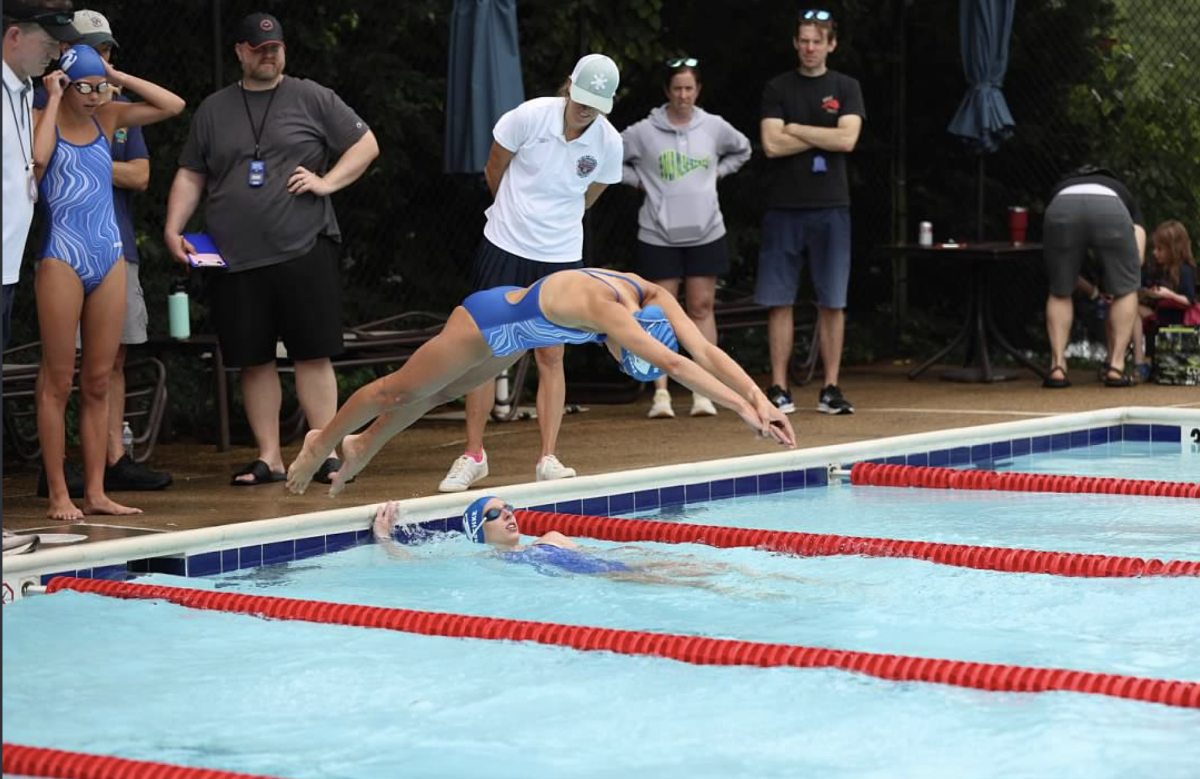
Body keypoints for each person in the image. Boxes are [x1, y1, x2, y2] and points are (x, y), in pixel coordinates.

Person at [286, 268, 797, 498]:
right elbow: (678, 366)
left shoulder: (654, 297)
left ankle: (362, 445)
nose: (617, 357)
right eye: (626, 358)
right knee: (398, 390)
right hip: (489, 321)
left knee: (439, 393)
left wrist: (760, 399)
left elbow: (703, 350)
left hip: (520, 334)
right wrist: (742, 411)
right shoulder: (608, 311)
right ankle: (322, 442)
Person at [163, 12, 380, 487]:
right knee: (253, 358)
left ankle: (323, 451)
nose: (269, 55)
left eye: (275, 48)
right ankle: (269, 457)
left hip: (303, 246)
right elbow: (192, 173)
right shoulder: (213, 109)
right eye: (259, 49)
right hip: (234, 256)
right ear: (240, 51)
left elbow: (366, 145)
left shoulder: (312, 96)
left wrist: (327, 182)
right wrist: (173, 227)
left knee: (312, 353)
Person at [437, 53, 624, 493]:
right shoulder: (528, 116)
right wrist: (515, 216)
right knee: (483, 351)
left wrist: (553, 224)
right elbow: (494, 167)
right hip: (505, 244)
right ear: (569, 84)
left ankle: (548, 458)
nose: (586, 109)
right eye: (582, 97)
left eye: (596, 103)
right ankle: (473, 455)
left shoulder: (609, 142)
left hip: (560, 255)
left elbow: (591, 195)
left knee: (551, 354)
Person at [32, 44, 184, 520]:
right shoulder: (42, 116)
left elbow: (173, 105)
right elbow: (38, 161)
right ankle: (59, 493)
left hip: (109, 255)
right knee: (58, 381)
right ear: (65, 84)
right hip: (61, 255)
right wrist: (53, 98)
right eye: (86, 87)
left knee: (98, 380)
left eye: (101, 88)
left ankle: (96, 492)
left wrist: (117, 76)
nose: (96, 96)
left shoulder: (110, 116)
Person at [620, 57, 751, 420]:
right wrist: (639, 182)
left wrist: (717, 174)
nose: (683, 95)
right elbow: (609, 157)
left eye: (689, 88)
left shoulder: (714, 126)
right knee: (659, 311)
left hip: (706, 230)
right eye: (677, 88)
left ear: (698, 90)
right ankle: (660, 393)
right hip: (658, 233)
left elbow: (743, 148)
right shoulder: (643, 131)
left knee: (701, 307)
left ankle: (704, 391)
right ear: (667, 90)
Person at [756, 9, 864, 417]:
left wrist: (796, 128)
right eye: (803, 40)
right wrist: (825, 135)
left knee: (833, 300)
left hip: (832, 207)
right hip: (784, 207)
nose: (810, 47)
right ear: (795, 43)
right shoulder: (777, 87)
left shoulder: (846, 87)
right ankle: (779, 388)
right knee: (779, 299)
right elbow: (771, 145)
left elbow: (848, 140)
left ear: (831, 44)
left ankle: (831, 387)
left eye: (817, 41)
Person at [2, 0, 77, 350]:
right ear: (14, 36)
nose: (56, 54)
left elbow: (35, 161)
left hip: (8, 262)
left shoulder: (27, 88)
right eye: (49, 43)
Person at [1041, 165, 1146, 388]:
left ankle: (1057, 367)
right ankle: (1116, 367)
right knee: (1127, 290)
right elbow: (1138, 258)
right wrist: (1121, 275)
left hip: (1062, 205)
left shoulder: (1062, 186)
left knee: (1059, 291)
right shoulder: (1122, 192)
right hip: (1110, 208)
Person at [1131, 220, 1197, 379]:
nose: (1155, 252)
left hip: (1178, 321)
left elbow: (1189, 301)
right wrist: (1146, 293)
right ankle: (1141, 361)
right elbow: (1141, 286)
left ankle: (1147, 361)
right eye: (1154, 248)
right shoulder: (1155, 267)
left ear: (1174, 249)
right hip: (1158, 315)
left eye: (1160, 249)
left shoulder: (1185, 269)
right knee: (1130, 309)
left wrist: (1169, 294)